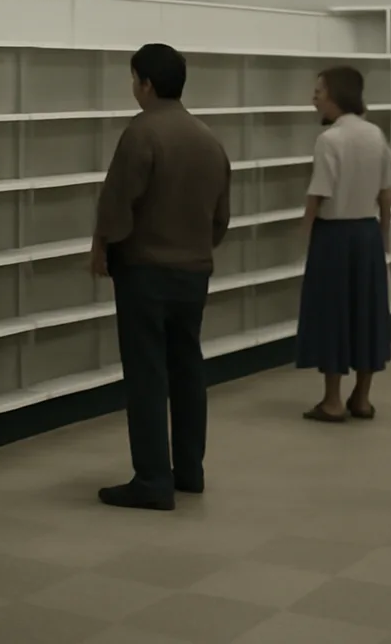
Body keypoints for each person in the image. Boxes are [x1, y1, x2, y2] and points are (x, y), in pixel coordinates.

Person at [90, 43, 231, 511]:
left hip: (145, 271)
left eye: (134, 79)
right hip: (194, 272)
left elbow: (117, 205)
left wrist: (104, 248)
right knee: (188, 368)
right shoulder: (208, 138)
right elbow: (221, 219)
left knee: (148, 374)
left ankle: (152, 479)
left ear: (146, 83)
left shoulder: (142, 133)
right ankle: (189, 470)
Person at [296, 66, 391, 423]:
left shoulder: (329, 140)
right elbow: (387, 194)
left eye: (319, 91)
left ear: (335, 94)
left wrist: (305, 234)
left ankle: (332, 399)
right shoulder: (375, 134)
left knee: (332, 313)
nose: (315, 98)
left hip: (333, 236)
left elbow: (318, 193)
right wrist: (383, 237)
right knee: (367, 312)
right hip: (367, 233)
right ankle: (363, 397)